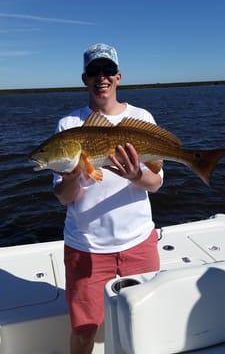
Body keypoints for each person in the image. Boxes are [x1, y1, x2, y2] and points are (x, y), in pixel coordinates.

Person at [53, 43, 163, 354]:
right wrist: (73, 176)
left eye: (108, 71)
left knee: (143, 324)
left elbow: (155, 183)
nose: (102, 77)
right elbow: (63, 197)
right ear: (84, 79)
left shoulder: (141, 117)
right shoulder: (69, 127)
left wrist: (135, 176)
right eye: (94, 72)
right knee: (84, 331)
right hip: (86, 247)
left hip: (139, 243)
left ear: (118, 77)